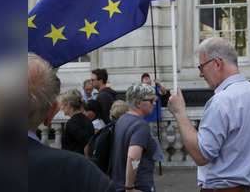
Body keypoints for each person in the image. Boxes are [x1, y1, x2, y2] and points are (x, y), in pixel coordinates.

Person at [168, 37, 250, 192]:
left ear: (217, 63)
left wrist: (180, 113)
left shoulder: (221, 102)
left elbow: (201, 155)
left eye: (201, 67)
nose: (201, 74)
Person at [28, 58, 115, 192]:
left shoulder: (74, 124)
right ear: (51, 113)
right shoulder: (82, 172)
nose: (62, 109)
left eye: (64, 105)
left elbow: (87, 145)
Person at [110, 84, 165, 192]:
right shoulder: (141, 125)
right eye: (151, 101)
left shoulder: (122, 120)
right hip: (138, 186)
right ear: (138, 103)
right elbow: (133, 157)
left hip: (118, 184)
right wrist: (130, 188)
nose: (154, 104)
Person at [60, 89, 95, 155]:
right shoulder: (87, 120)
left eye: (63, 105)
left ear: (68, 105)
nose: (61, 108)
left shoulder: (72, 123)